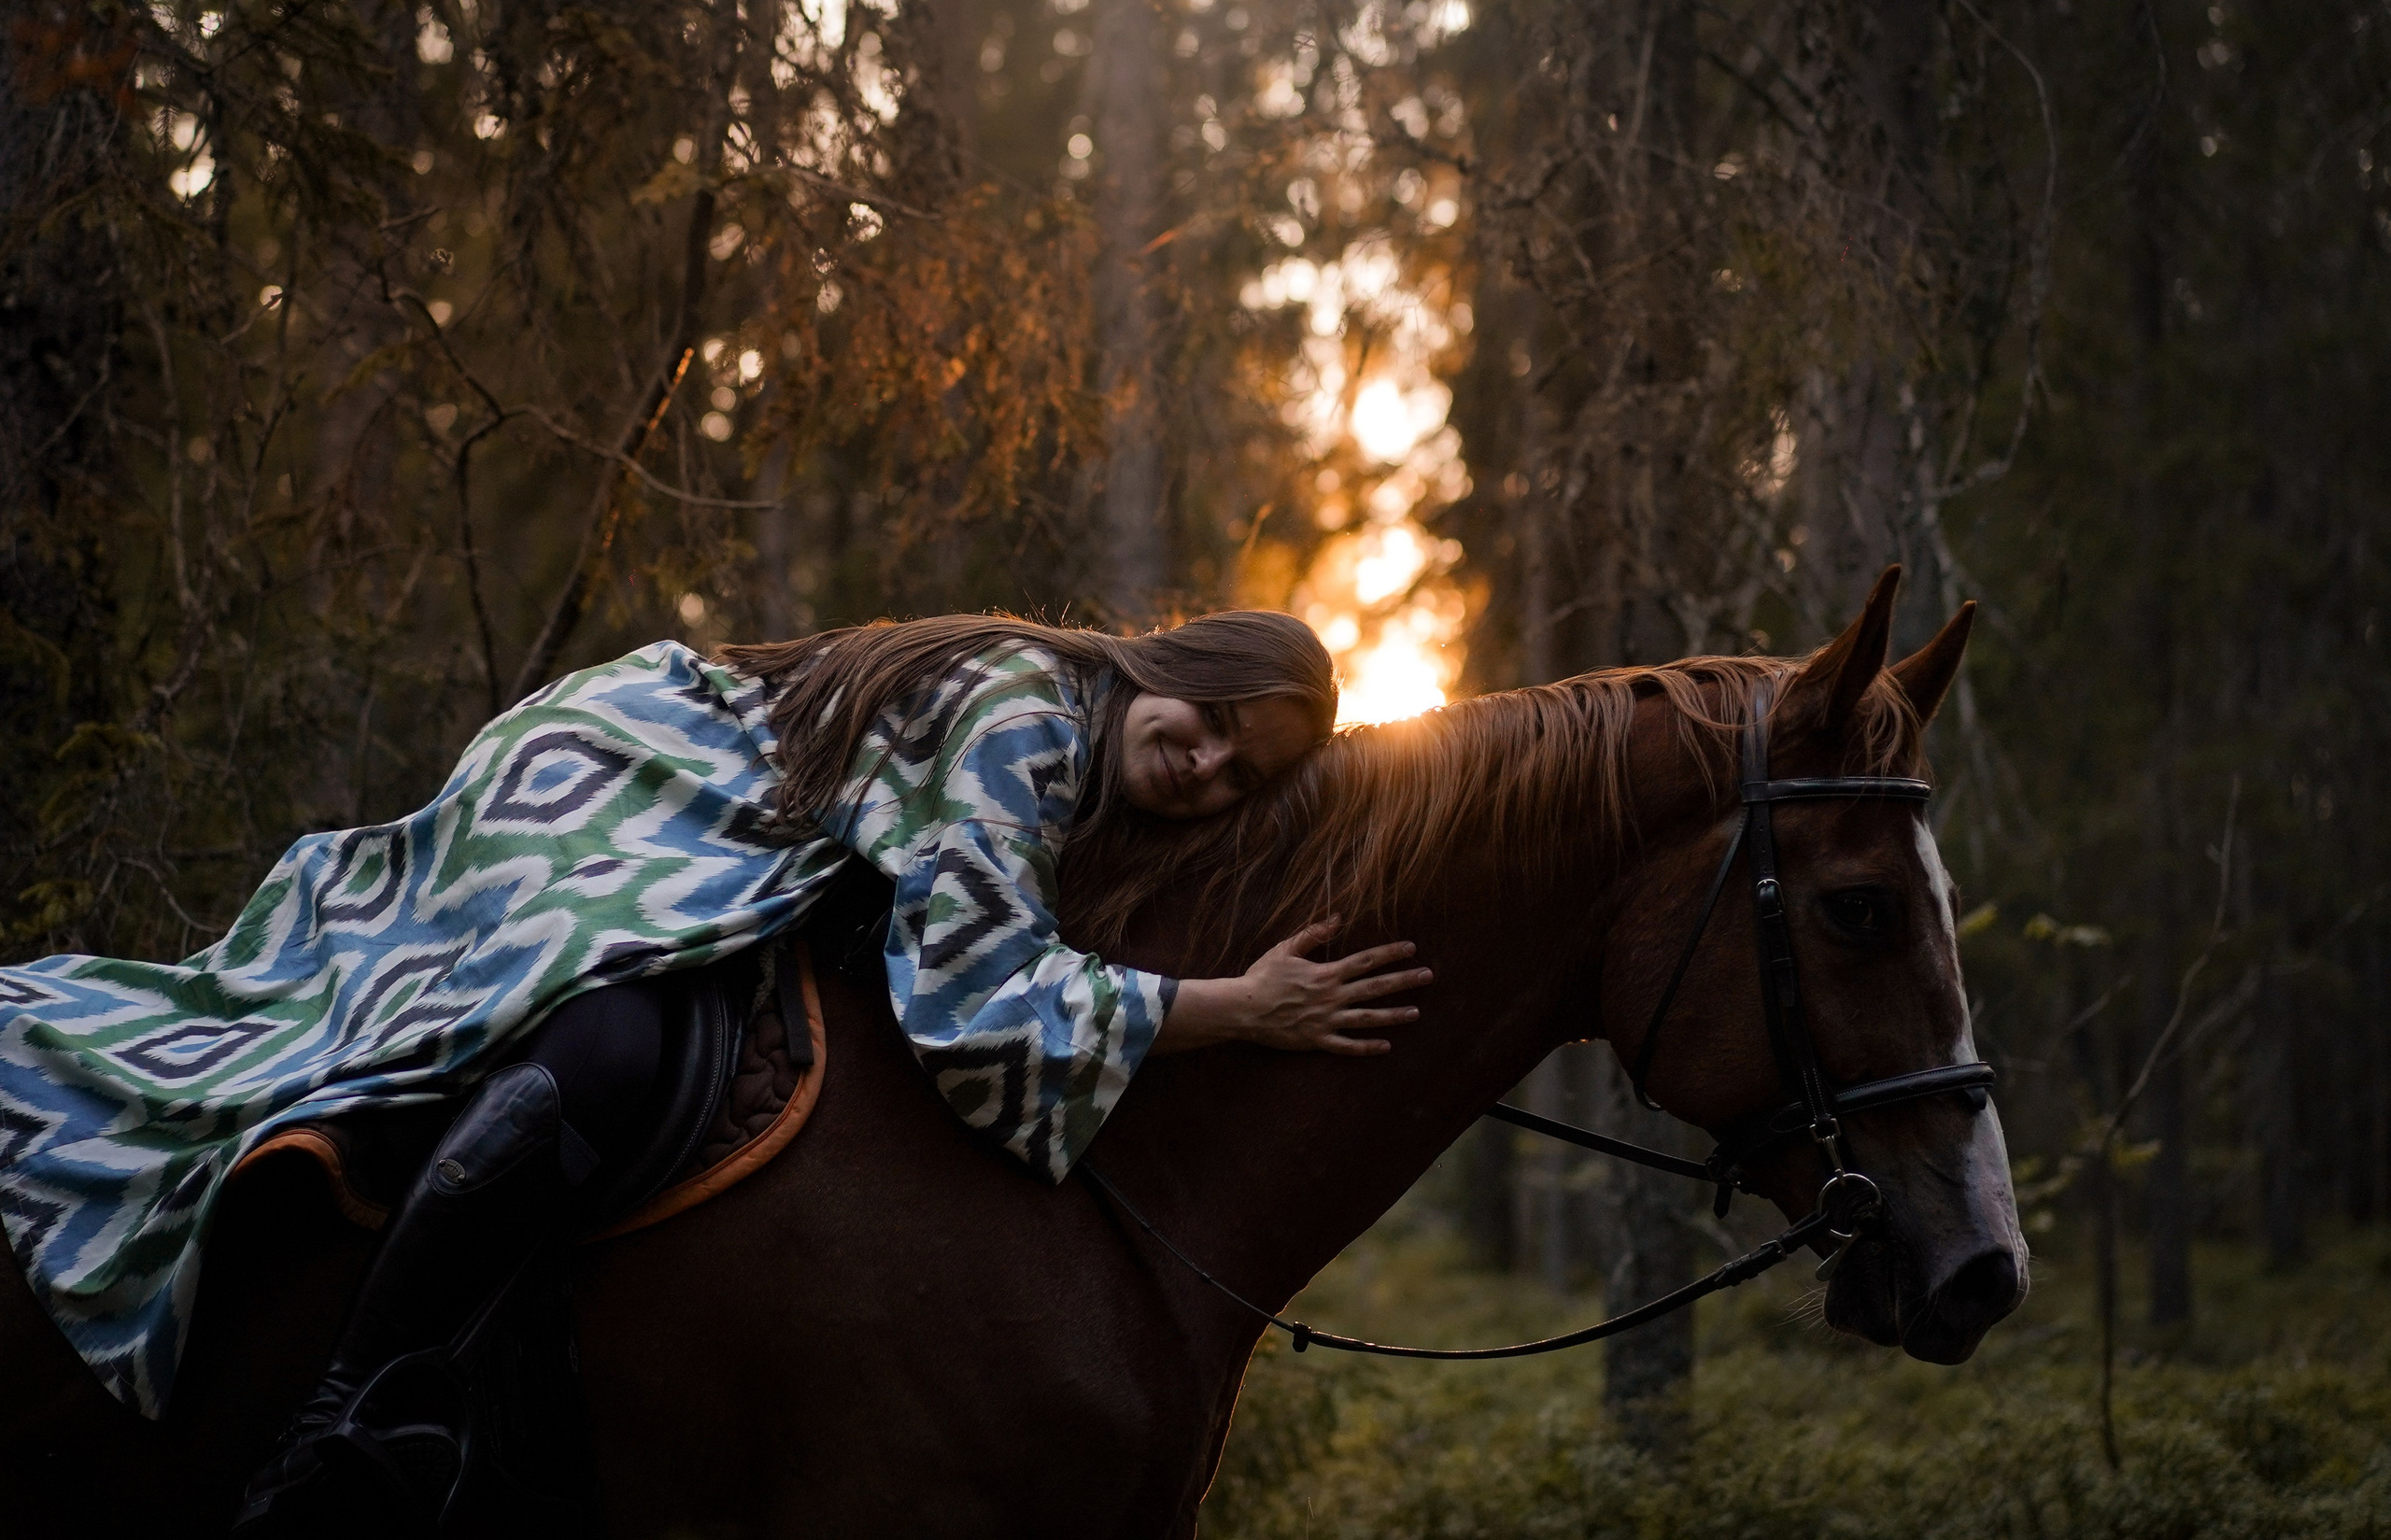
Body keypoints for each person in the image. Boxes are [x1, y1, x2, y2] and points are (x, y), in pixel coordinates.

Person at [0, 611, 1431, 1526]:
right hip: (630, 784)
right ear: (1178, 664)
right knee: (607, 1040)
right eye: (1221, 719)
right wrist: (1237, 1006)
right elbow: (981, 993)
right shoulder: (1024, 712)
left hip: (731, 824)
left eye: (1246, 772)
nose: (1211, 762)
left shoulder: (1077, 751)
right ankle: (345, 1421)